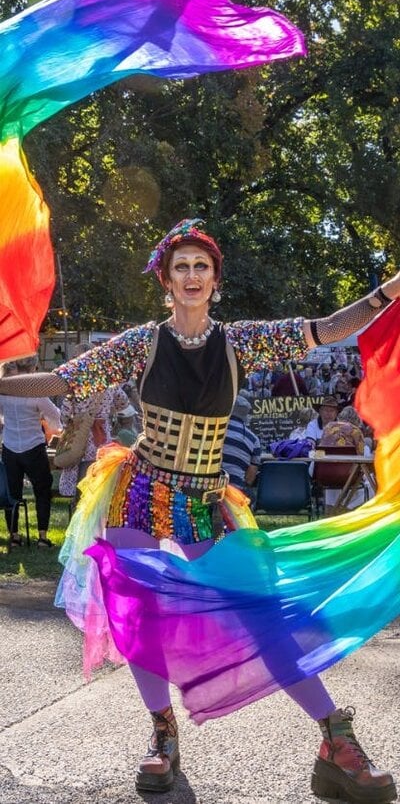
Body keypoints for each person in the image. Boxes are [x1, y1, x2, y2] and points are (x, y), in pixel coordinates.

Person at [0, 219, 399, 803]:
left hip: (206, 498)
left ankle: (334, 741)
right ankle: (162, 735)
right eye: (181, 266)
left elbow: (327, 328)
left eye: (201, 267)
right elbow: (63, 379)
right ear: (166, 280)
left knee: (261, 617)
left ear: (215, 281)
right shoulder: (142, 342)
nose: (192, 276)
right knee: (137, 612)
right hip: (139, 490)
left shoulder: (242, 341)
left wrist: (388, 291)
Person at [0, 355, 61, 548]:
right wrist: (52, 426)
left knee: (13, 493)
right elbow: (55, 416)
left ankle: (15, 535)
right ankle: (42, 536)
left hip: (10, 445)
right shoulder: (36, 393)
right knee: (42, 490)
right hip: (33, 446)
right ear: (34, 368)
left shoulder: (4, 392)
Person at [58, 342, 129, 502]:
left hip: (80, 438)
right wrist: (107, 411)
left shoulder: (75, 385)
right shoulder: (109, 383)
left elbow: (65, 415)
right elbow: (123, 402)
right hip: (102, 437)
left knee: (80, 485)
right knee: (99, 487)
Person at [222, 392, 261, 505]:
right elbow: (250, 478)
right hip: (235, 492)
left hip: (209, 487)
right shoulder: (253, 440)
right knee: (251, 495)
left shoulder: (216, 430)